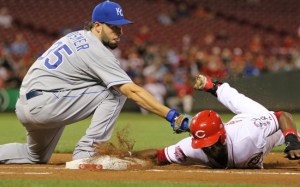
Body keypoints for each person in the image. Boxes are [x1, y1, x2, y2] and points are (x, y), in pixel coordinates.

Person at [0, 1, 191, 164]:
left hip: (27, 104)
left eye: (121, 26)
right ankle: (87, 152)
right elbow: (132, 91)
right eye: (113, 27)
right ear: (97, 26)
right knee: (116, 92)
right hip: (46, 103)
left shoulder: (73, 37)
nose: (120, 31)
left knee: (35, 155)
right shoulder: (94, 48)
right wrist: (173, 116)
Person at [134, 74, 300, 169]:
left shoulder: (249, 135)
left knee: (237, 100)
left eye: (211, 143)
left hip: (257, 121)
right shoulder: (192, 148)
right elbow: (158, 156)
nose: (207, 148)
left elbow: (282, 116)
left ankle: (212, 86)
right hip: (240, 124)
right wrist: (125, 157)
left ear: (221, 138)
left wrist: (292, 140)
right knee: (237, 101)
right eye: (203, 144)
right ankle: (212, 86)